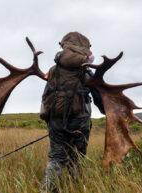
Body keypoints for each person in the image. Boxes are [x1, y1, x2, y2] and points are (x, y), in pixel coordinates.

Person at [39, 32, 104, 192]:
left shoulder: (54, 70)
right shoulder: (86, 72)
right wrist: (105, 110)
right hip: (80, 122)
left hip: (55, 121)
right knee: (76, 159)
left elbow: (47, 95)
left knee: (56, 159)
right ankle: (74, 188)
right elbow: (99, 100)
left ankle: (48, 190)